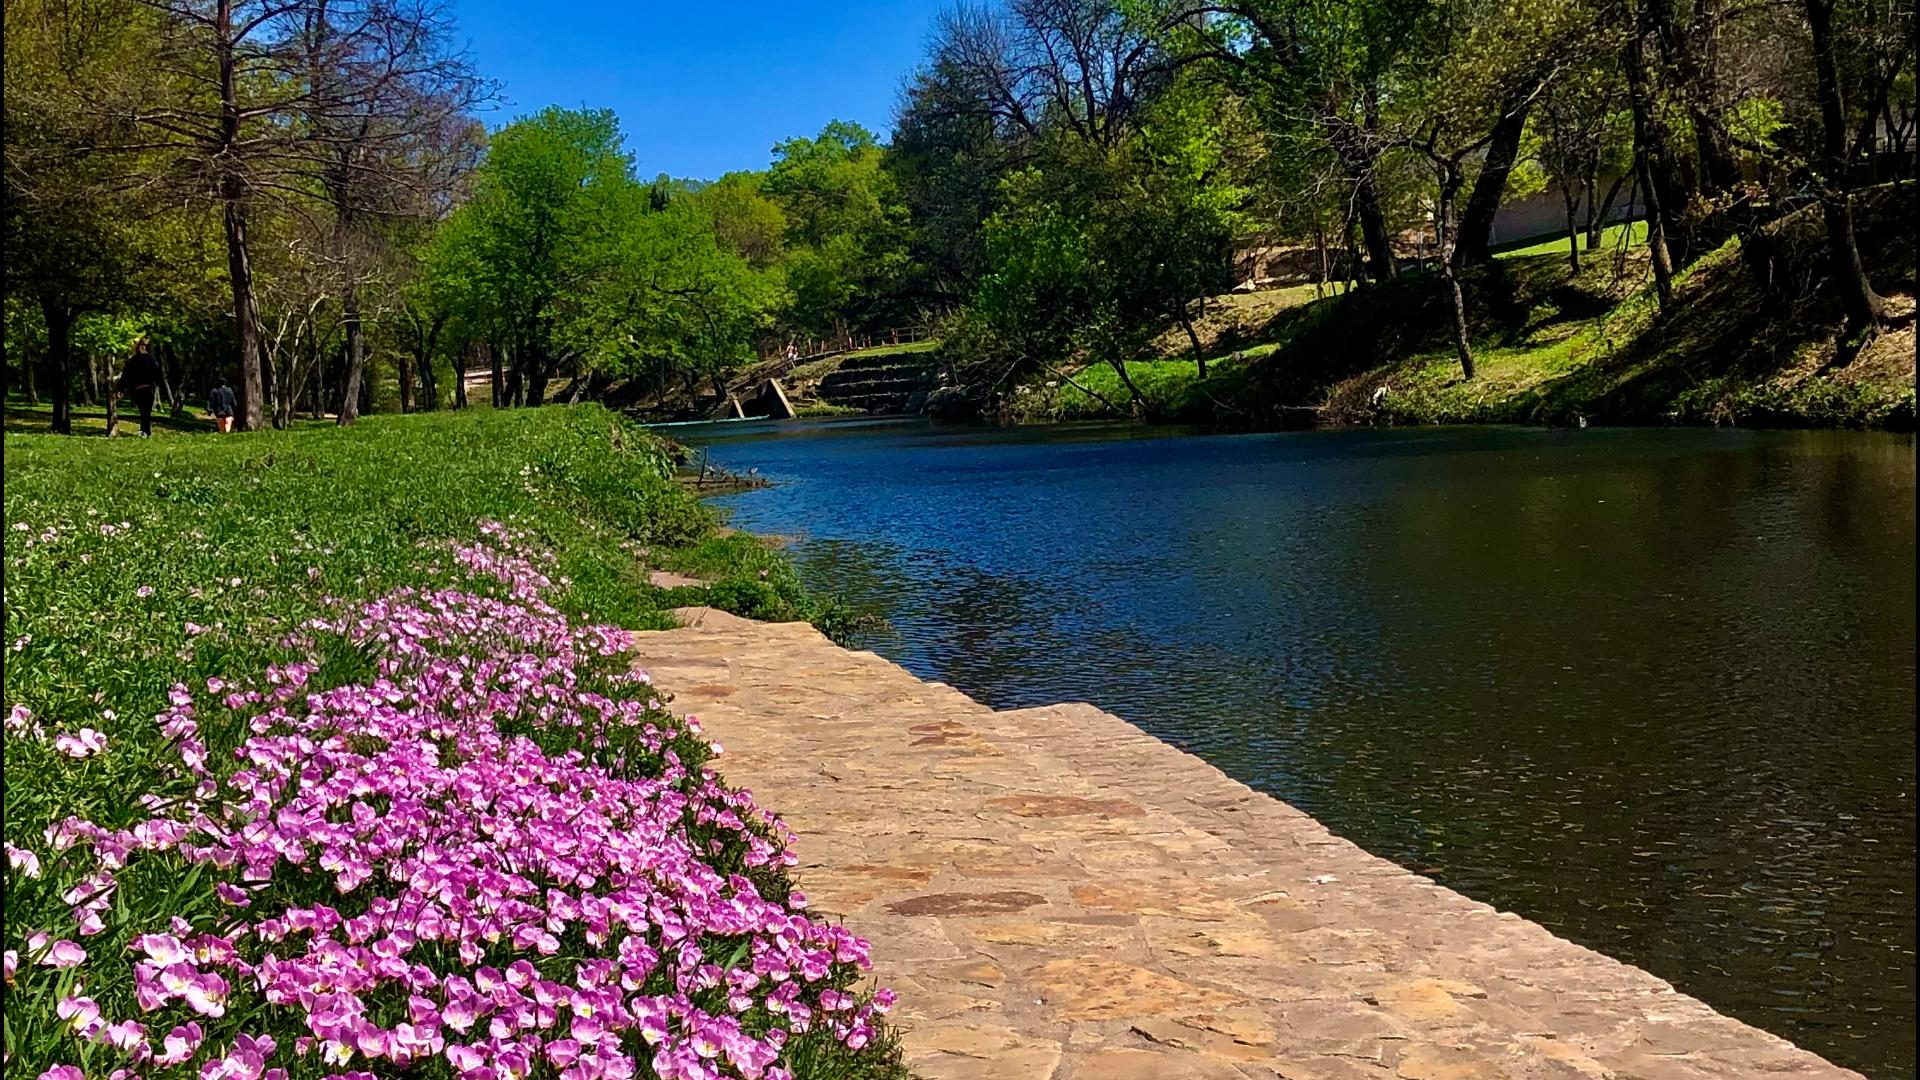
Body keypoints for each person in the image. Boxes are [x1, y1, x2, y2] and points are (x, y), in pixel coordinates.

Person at [120, 339, 163, 438]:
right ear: (138, 346)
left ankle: (146, 431)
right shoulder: (133, 360)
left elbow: (157, 374)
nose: (143, 347)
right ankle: (144, 430)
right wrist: (121, 389)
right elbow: (126, 375)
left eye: (145, 345)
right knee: (143, 411)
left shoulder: (150, 360)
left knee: (146, 411)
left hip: (148, 389)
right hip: (138, 389)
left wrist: (160, 386)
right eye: (141, 345)